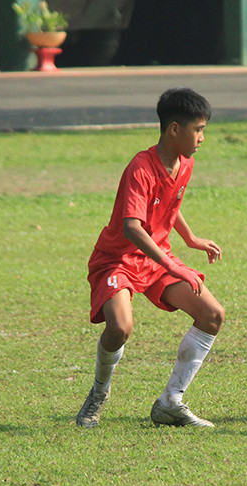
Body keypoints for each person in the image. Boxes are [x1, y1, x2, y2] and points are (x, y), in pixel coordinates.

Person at [76, 87, 224, 429]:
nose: (202, 138)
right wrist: (173, 265)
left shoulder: (184, 164)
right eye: (198, 129)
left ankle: (171, 402)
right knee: (120, 327)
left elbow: (169, 204)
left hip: (157, 258)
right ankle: (99, 393)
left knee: (212, 315)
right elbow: (132, 227)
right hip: (118, 259)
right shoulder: (140, 168)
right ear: (175, 129)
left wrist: (190, 239)